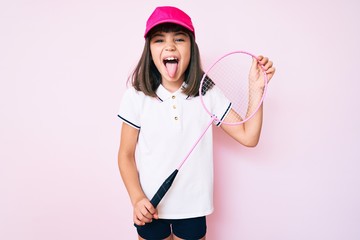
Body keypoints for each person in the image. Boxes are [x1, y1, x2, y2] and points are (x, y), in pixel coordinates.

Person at [117, 6, 275, 240]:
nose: (170, 46)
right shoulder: (137, 96)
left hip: (193, 208)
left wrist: (256, 88)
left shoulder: (206, 91)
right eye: (159, 40)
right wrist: (137, 198)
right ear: (149, 50)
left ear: (192, 47)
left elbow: (248, 136)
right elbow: (125, 155)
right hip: (150, 207)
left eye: (179, 39)